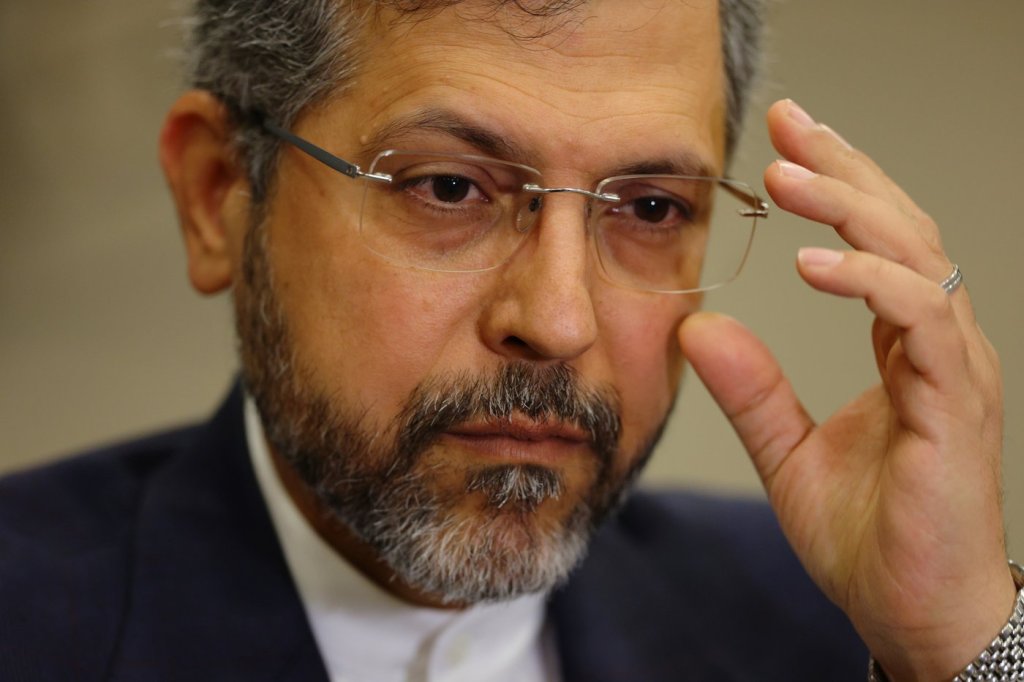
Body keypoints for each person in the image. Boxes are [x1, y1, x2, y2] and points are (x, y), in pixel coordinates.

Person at [1, 1, 1020, 680]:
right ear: (220, 194)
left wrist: (962, 646)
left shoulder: (826, 624)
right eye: (448, 187)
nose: (560, 321)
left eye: (650, 207)